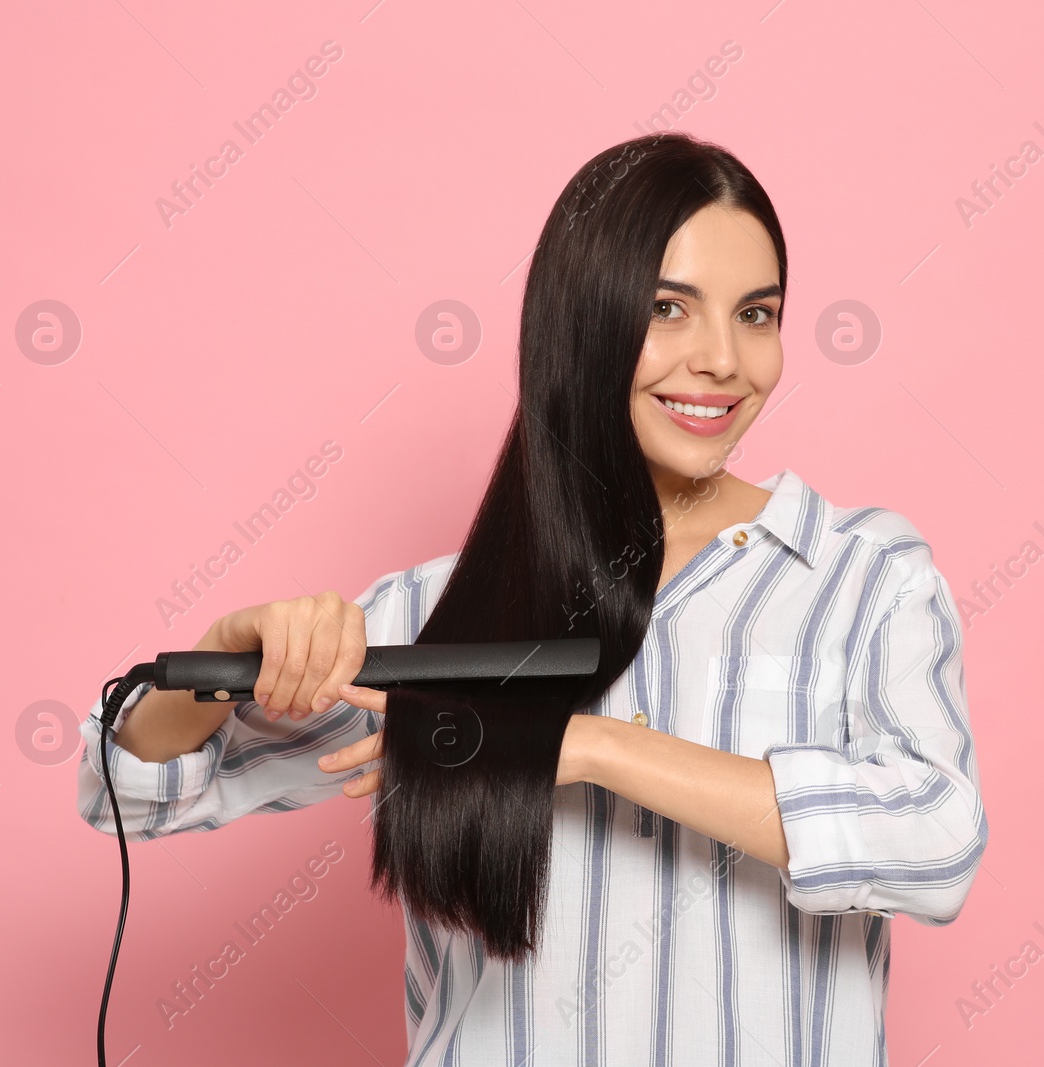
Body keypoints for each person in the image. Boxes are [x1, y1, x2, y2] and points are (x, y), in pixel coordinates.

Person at [77, 131, 988, 1066]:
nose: (723, 358)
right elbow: (134, 795)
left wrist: (588, 745)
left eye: (757, 314)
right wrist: (227, 650)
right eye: (668, 308)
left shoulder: (861, 579)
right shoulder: (442, 611)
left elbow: (938, 842)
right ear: (582, 322)